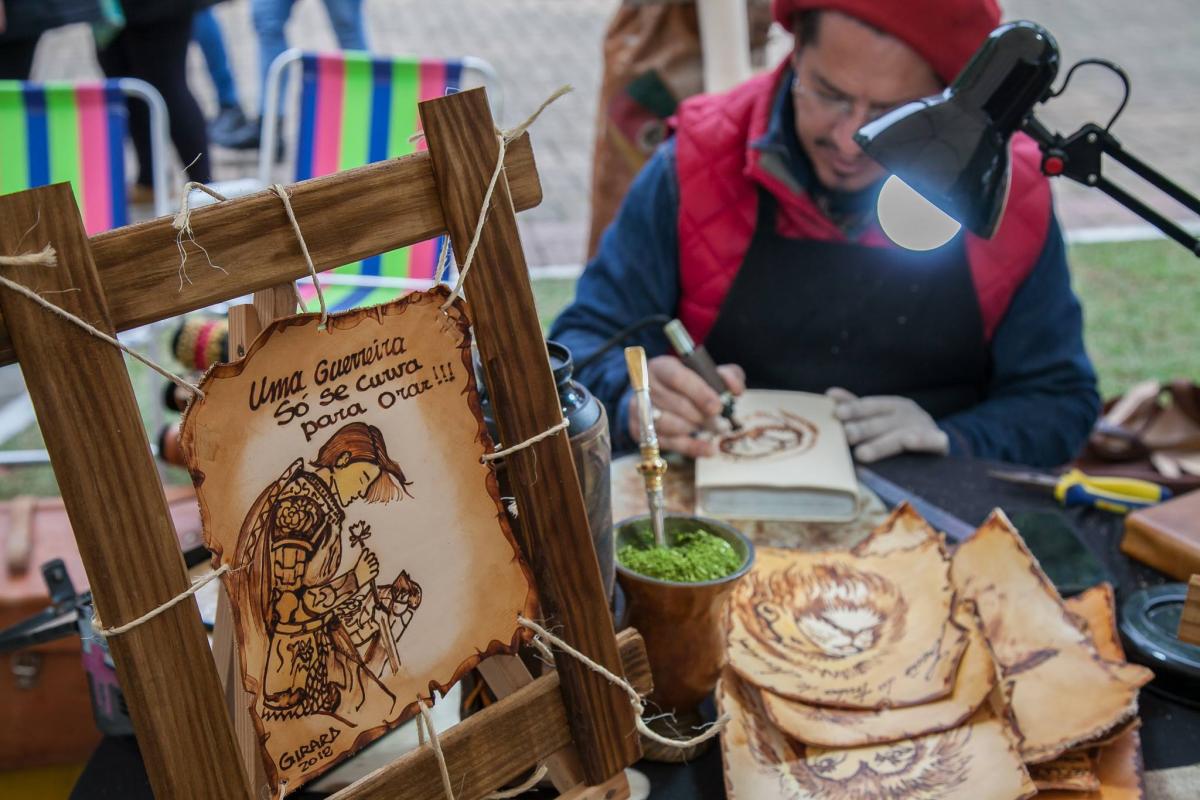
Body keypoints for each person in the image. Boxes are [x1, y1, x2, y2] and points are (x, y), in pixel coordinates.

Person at [550, 0, 1100, 468]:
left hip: (929, 516)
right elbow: (583, 343)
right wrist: (636, 401)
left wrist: (953, 439)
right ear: (795, 55)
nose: (847, 138)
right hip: (723, 507)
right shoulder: (698, 160)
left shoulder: (1003, 194)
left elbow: (1059, 400)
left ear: (946, 98)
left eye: (889, 111)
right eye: (827, 93)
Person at [235, 421, 414, 722]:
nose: (362, 491)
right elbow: (288, 606)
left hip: (318, 652)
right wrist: (354, 580)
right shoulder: (300, 510)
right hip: (294, 670)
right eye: (363, 478)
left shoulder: (321, 505)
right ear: (342, 460)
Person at [96, 0, 216, 195]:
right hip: (112, 10)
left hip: (157, 9)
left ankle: (205, 187)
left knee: (168, 84)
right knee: (128, 88)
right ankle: (149, 181)